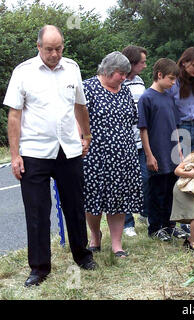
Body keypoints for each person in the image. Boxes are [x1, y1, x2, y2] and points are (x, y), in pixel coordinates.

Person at [4, 25, 97, 287]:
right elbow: (14, 115)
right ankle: (39, 267)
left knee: (75, 205)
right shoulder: (23, 73)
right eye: (49, 49)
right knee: (37, 211)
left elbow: (80, 105)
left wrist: (86, 135)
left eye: (59, 48)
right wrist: (15, 155)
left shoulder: (72, 68)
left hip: (68, 149)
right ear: (38, 47)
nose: (54, 54)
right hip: (34, 152)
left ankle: (82, 255)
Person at [83, 51, 143, 258]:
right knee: (93, 201)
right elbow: (76, 119)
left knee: (118, 200)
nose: (124, 78)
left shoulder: (125, 91)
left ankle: (117, 244)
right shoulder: (87, 88)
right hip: (95, 155)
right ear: (108, 71)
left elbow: (132, 119)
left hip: (124, 154)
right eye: (121, 74)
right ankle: (95, 236)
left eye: (126, 74)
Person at [138, 58, 183, 242]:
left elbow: (175, 127)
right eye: (171, 79)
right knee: (157, 192)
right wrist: (149, 155)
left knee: (172, 191)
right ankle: (155, 227)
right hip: (157, 154)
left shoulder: (169, 97)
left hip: (172, 153)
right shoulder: (146, 98)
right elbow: (143, 129)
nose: (173, 83)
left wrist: (179, 151)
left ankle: (169, 225)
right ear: (159, 75)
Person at [121, 45, 149, 237]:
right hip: (125, 141)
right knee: (126, 182)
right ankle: (127, 222)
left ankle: (145, 213)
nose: (145, 66)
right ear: (131, 63)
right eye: (142, 62)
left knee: (146, 178)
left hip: (142, 139)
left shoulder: (139, 81)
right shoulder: (119, 82)